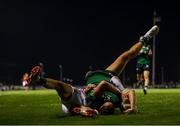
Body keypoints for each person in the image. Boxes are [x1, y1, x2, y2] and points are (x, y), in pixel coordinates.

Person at [83, 25, 159, 113]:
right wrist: (133, 107)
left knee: (89, 74)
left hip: (94, 77)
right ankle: (145, 39)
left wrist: (121, 93)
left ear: (101, 108)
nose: (107, 105)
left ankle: (144, 39)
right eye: (109, 108)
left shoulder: (93, 103)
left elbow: (103, 84)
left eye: (105, 107)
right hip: (108, 75)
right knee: (126, 56)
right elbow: (130, 91)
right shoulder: (117, 102)